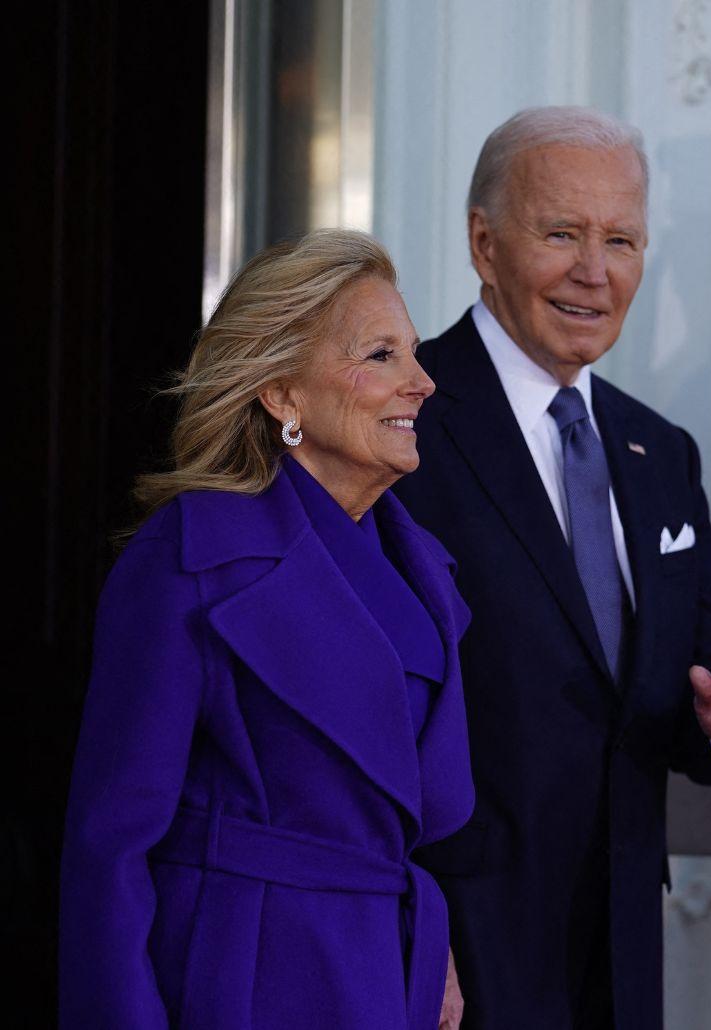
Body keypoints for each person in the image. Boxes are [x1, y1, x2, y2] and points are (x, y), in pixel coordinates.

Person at [392, 106, 711, 1029]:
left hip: (619, 957)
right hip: (452, 952)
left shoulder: (658, 453)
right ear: (483, 243)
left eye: (621, 240)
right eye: (562, 234)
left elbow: (699, 687)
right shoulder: (402, 422)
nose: (596, 271)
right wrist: (402, 933)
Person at [60, 229, 474, 1030]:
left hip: (389, 981)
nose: (422, 382)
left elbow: (402, 818)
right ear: (283, 395)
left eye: (414, 354)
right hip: (246, 979)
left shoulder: (422, 569)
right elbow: (108, 850)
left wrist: (430, 949)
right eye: (382, 356)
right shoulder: (190, 558)